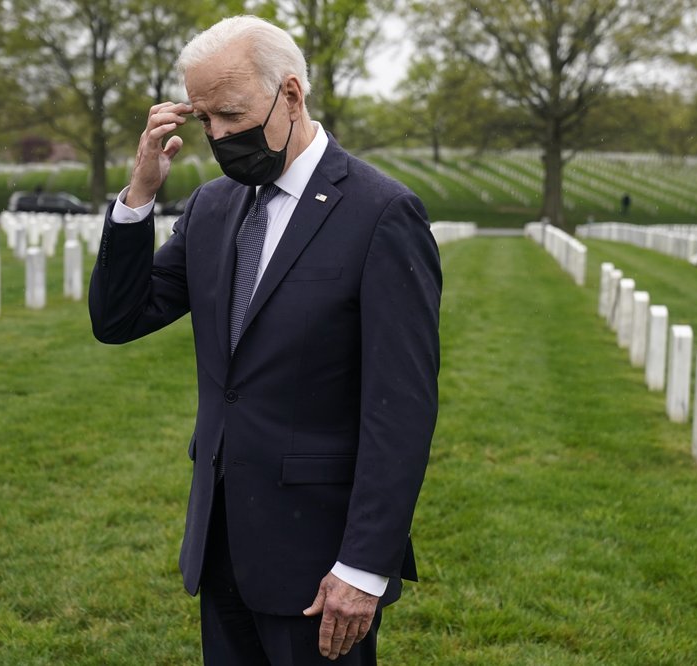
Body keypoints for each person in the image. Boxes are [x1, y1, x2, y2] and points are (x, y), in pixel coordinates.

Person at [88, 15, 441, 665]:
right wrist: (140, 195)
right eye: (204, 122)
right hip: (221, 537)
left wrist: (363, 568)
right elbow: (118, 319)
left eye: (230, 114)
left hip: (319, 560)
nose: (219, 135)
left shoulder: (381, 213)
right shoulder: (212, 208)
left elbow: (402, 408)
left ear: (291, 94)